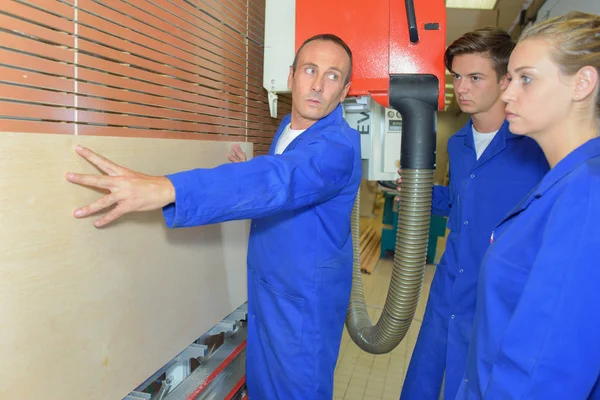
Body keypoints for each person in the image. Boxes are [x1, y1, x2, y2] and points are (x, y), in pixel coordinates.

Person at [65, 34, 362, 400]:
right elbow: (277, 174)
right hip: (268, 293)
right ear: (291, 76)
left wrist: (167, 189)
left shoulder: (337, 147)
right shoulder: (289, 126)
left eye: (332, 76)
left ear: (345, 91)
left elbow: (282, 181)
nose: (317, 85)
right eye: (310, 70)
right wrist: (251, 171)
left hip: (302, 312)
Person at [398, 28, 549, 400]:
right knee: (425, 380)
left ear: (504, 81)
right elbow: (466, 202)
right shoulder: (459, 144)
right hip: (449, 287)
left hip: (496, 299)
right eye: (456, 77)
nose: (461, 88)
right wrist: (423, 196)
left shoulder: (534, 150)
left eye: (475, 78)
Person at [456, 12, 600, 399]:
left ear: (582, 84)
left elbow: (546, 369)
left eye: (526, 79)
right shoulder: (563, 184)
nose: (507, 94)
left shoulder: (588, 194)